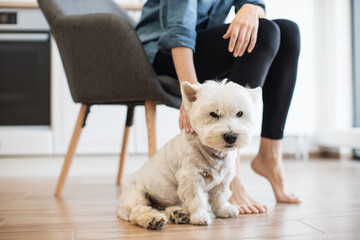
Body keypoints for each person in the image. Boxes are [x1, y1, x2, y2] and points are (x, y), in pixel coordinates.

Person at [135, 0, 301, 214]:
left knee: (287, 30)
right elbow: (179, 30)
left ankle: (270, 157)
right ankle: (232, 176)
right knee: (265, 32)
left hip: (203, 46)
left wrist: (251, 8)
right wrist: (192, 100)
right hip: (162, 51)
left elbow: (254, 3)